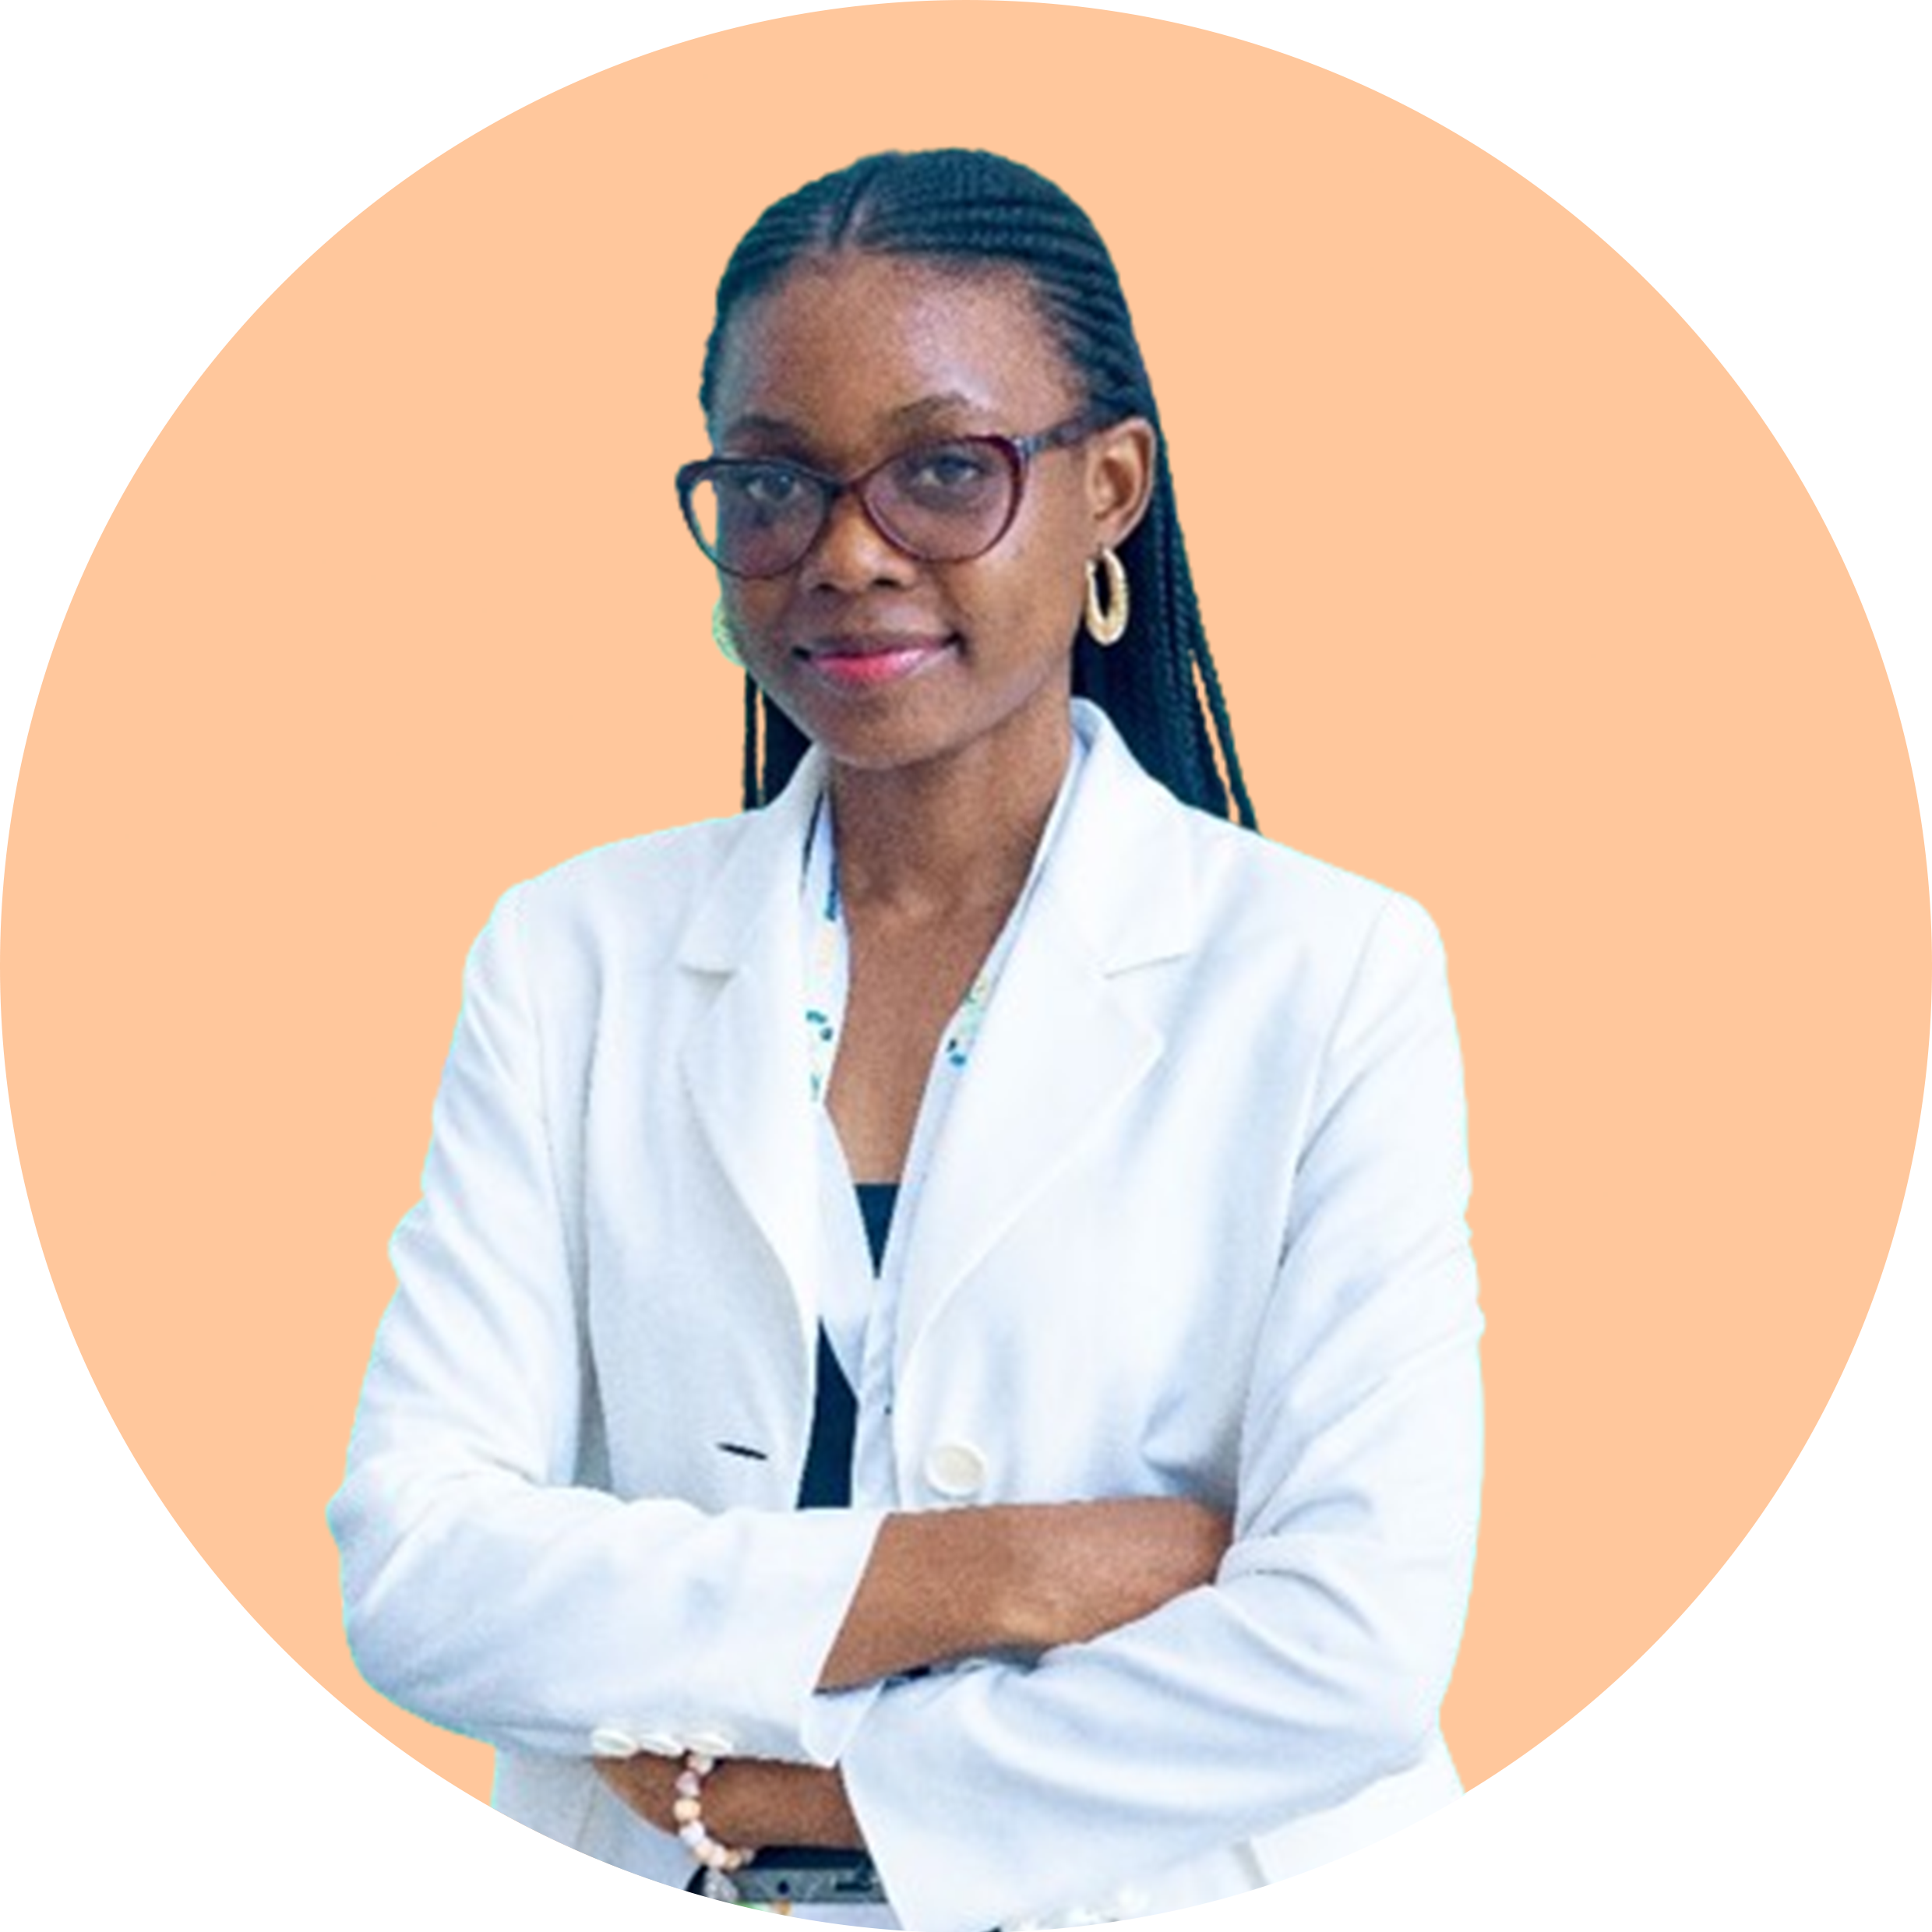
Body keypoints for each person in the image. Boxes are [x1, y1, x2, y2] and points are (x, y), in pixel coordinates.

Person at [328, 148, 1507, 1932]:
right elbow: (420, 1569)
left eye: (946, 470)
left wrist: (826, 1800)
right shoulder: (569, 955)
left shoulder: (1326, 972)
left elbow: (1351, 1646)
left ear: (1109, 488)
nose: (848, 551)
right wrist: (1007, 1569)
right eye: (773, 483)